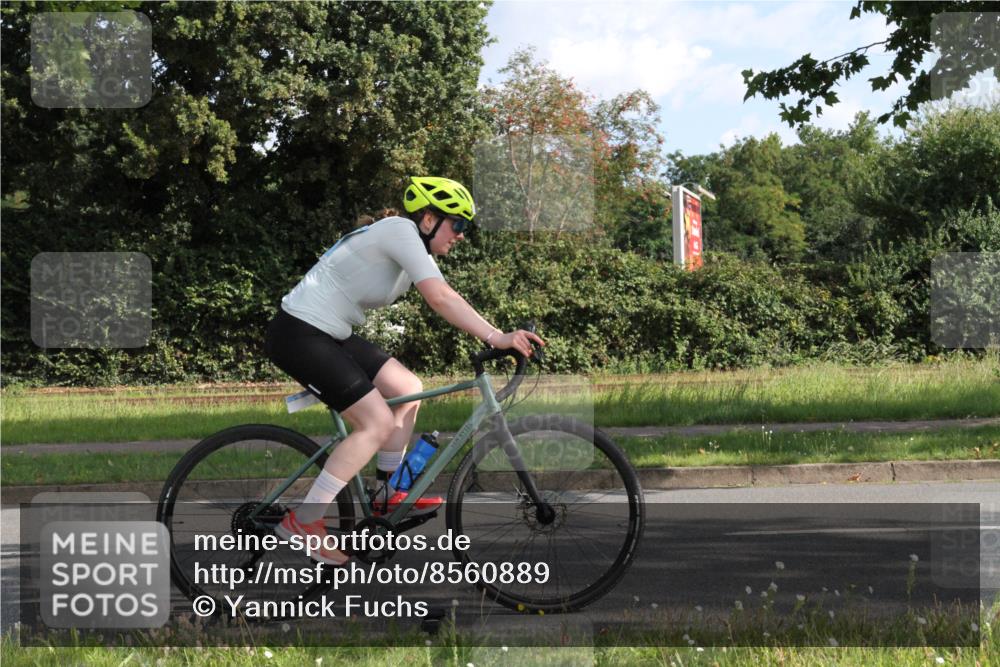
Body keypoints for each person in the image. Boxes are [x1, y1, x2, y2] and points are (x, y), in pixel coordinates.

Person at [264, 176, 545, 565]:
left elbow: (444, 294)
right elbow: (440, 298)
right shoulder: (398, 230)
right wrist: (496, 336)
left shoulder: (416, 251)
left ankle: (388, 493)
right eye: (457, 224)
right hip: (299, 332)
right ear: (428, 219)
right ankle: (304, 521)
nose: (461, 235)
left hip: (330, 333)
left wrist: (494, 335)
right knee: (376, 423)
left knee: (406, 385)